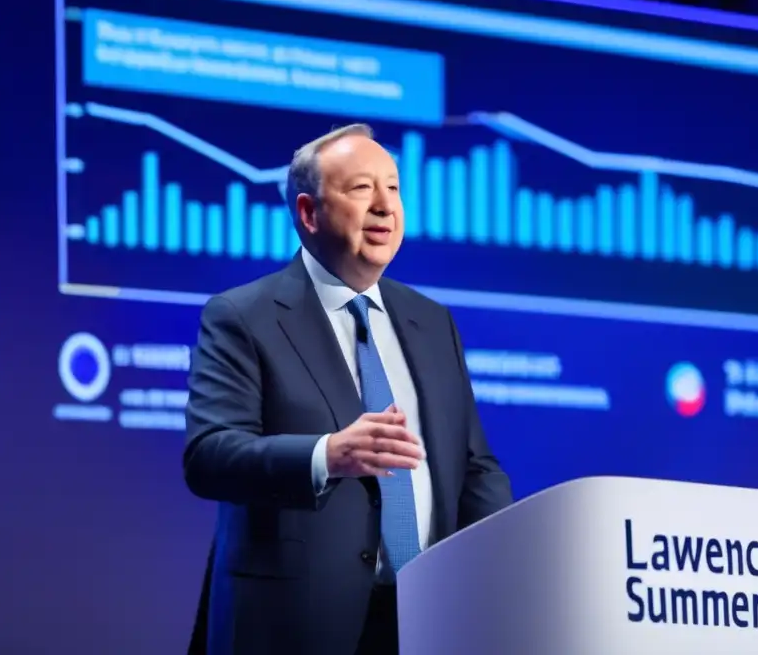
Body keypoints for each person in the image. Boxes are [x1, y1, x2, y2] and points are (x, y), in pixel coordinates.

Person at [183, 123, 513, 655]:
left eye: (394, 188)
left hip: (427, 621)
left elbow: (473, 467)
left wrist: (515, 551)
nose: (385, 206)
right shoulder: (244, 316)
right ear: (309, 214)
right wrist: (327, 454)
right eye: (362, 189)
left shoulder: (432, 322)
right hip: (294, 625)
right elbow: (210, 455)